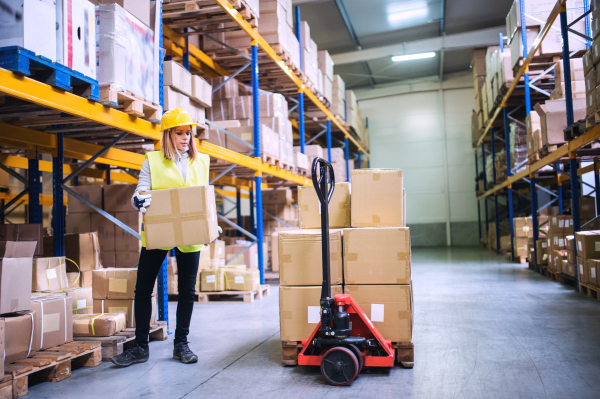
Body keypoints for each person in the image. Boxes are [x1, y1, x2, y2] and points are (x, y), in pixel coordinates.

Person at [112, 108, 211, 367]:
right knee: (143, 288)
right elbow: (140, 192)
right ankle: (140, 347)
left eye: (188, 133)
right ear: (168, 135)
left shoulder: (201, 162)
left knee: (187, 291)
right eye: (180, 133)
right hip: (160, 231)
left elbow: (205, 199)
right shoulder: (153, 161)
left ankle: (181, 344)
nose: (186, 138)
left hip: (190, 233)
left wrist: (211, 226)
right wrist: (139, 200)